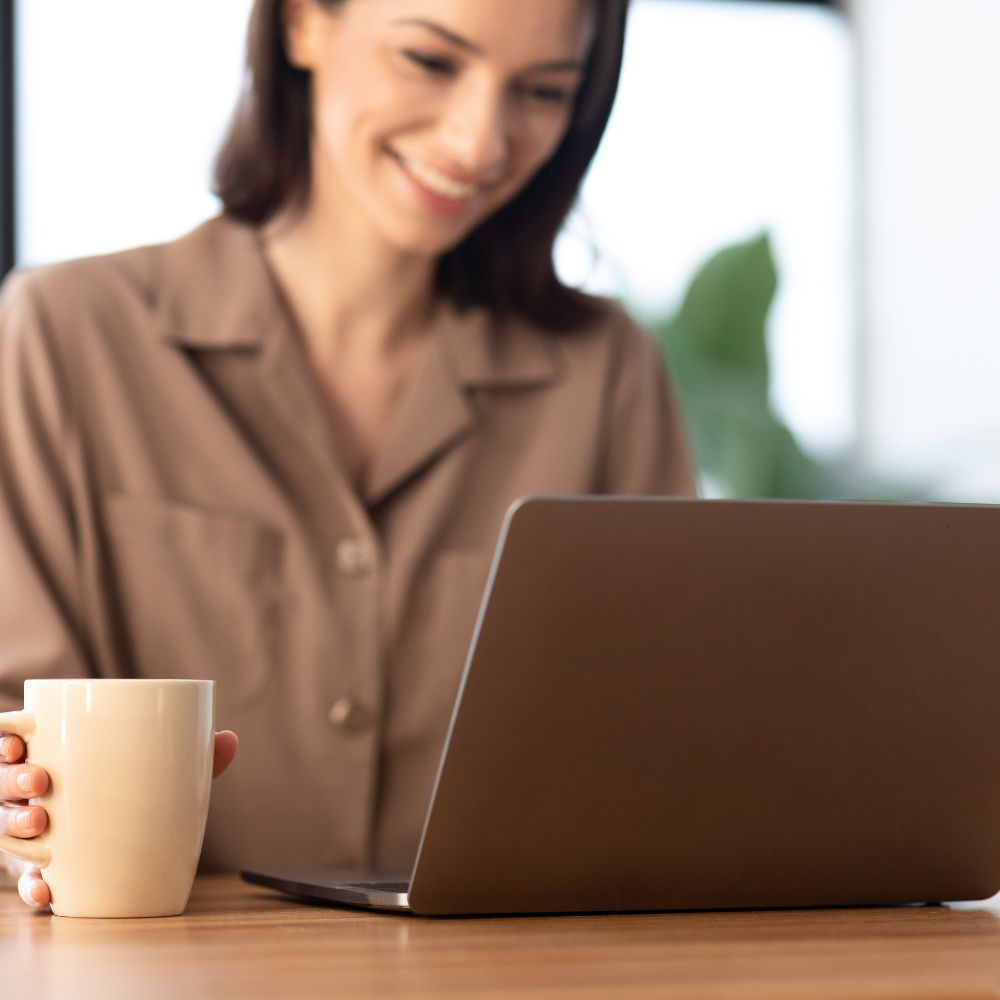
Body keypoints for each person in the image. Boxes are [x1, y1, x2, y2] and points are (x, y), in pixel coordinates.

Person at [0, 0, 695, 910]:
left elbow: (668, 744)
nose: (478, 139)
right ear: (301, 22)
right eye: (430, 60)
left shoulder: (609, 376)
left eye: (541, 90)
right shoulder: (62, 337)